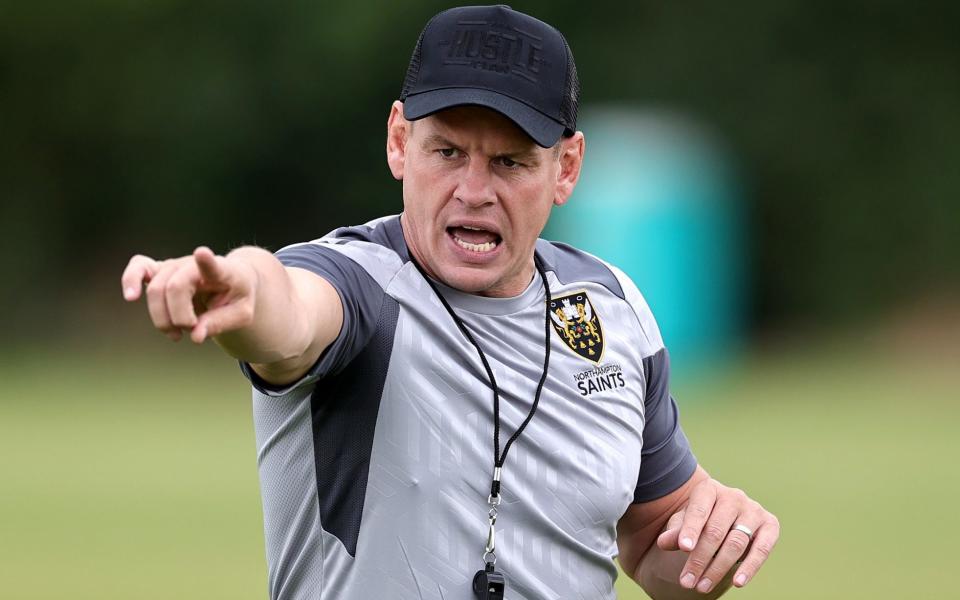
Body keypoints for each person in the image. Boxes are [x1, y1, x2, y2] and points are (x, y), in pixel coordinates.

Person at [121, 5, 778, 599]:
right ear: (400, 142)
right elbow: (290, 311)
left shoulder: (610, 306)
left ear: (568, 168)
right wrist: (244, 287)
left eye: (510, 163)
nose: (472, 189)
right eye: (448, 151)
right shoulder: (362, 286)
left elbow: (651, 538)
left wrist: (714, 546)